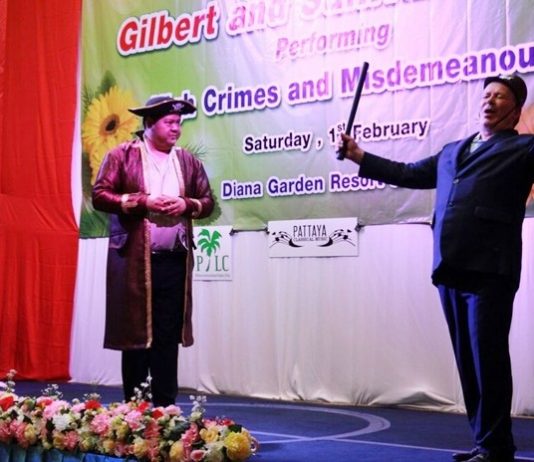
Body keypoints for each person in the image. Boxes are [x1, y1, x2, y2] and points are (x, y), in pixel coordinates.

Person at [339, 74, 533, 462]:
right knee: (468, 361)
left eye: (500, 97)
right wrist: (359, 155)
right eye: (487, 95)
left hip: (490, 269)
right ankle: (485, 442)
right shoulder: (451, 151)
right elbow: (408, 173)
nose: (490, 101)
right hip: (451, 266)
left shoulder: (523, 148)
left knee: (489, 359)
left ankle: (496, 447)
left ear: (515, 112)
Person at [92, 93, 214, 406]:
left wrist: (186, 204)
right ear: (149, 124)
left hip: (174, 261)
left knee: (167, 336)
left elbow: (208, 202)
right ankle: (135, 410)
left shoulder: (187, 161)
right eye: (169, 122)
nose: (176, 128)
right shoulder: (122, 155)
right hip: (135, 261)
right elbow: (100, 195)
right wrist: (142, 201)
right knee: (136, 337)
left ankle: (165, 409)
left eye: (179, 123)